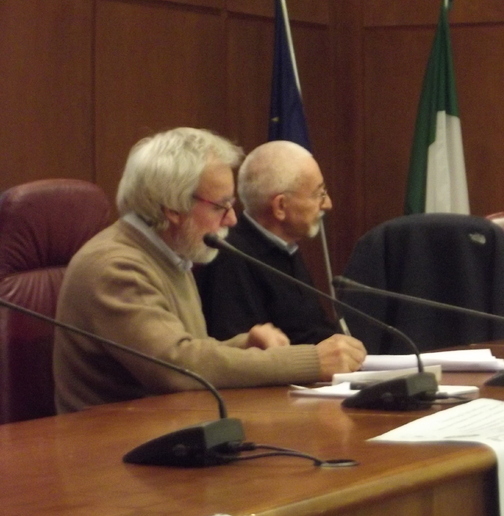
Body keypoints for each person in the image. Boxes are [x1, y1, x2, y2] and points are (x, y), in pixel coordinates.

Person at [53, 128, 365, 413]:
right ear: (172, 208)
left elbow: (183, 350)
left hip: (167, 426)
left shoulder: (171, 253)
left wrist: (243, 345)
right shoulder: (116, 267)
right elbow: (178, 367)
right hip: (113, 442)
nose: (232, 219)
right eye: (220, 206)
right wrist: (311, 360)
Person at [194, 140, 339, 344]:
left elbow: (309, 330)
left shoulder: (287, 247)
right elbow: (241, 353)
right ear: (280, 206)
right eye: (319, 194)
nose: (328, 204)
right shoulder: (230, 257)